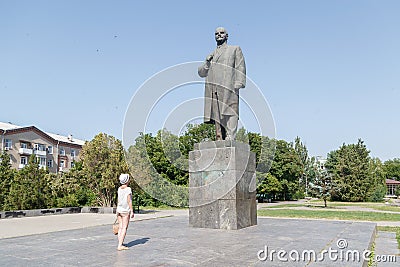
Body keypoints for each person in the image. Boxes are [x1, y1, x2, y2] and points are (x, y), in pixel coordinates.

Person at [198, 27, 246, 140]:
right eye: (216, 33)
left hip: (228, 85)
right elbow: (201, 73)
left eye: (222, 33)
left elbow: (240, 65)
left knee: (230, 110)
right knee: (217, 115)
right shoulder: (211, 54)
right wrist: (206, 62)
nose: (219, 35)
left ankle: (230, 135)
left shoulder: (234, 49)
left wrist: (239, 82)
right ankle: (219, 137)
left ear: (227, 36)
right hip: (213, 87)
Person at [116, 173, 134, 251]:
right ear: (127, 181)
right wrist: (132, 211)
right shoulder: (128, 189)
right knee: (124, 228)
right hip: (125, 211)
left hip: (119, 210)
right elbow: (129, 201)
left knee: (120, 227)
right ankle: (120, 245)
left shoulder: (119, 189)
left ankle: (120, 242)